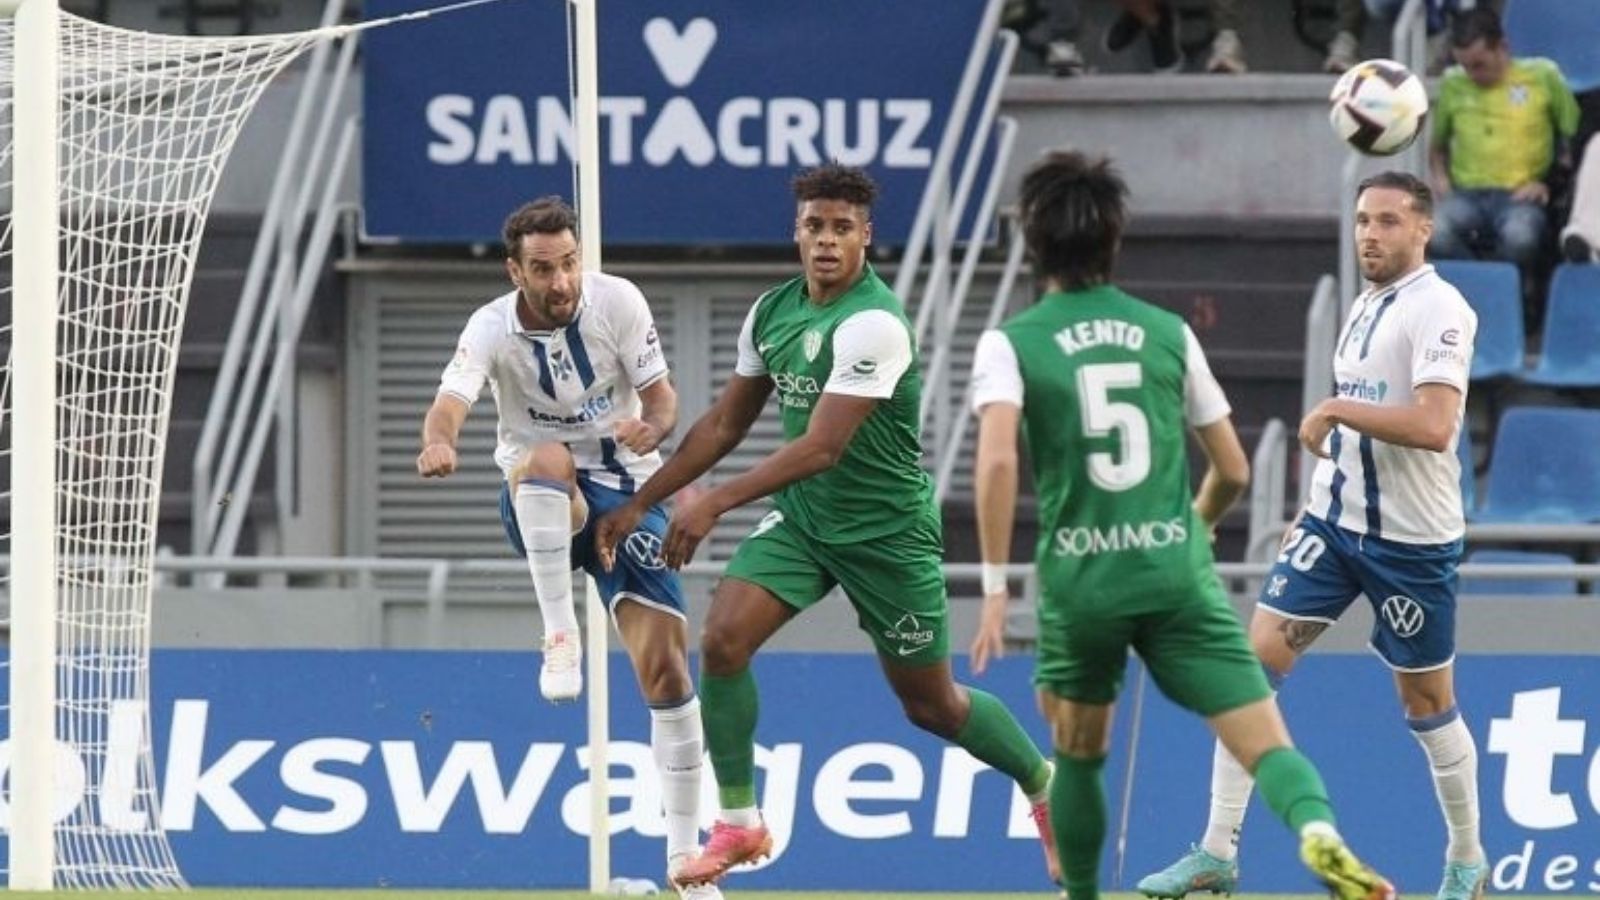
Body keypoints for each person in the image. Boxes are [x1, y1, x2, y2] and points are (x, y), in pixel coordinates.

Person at [594, 163, 1061, 891]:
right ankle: (741, 821)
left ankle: (1043, 785)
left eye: (843, 228)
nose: (826, 241)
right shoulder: (773, 313)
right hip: (807, 523)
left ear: (866, 237)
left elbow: (822, 446)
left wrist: (715, 503)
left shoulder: (875, 322)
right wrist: (640, 501)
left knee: (932, 705)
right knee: (721, 640)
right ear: (797, 231)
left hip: (886, 534)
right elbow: (722, 423)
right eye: (815, 226)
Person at [967, 149, 1395, 900]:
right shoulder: (1167, 332)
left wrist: (998, 586)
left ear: (1034, 242)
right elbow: (1232, 468)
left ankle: (1085, 896)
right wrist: (1191, 529)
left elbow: (999, 462)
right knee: (1264, 741)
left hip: (1082, 579)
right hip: (1173, 572)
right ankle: (1320, 835)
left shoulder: (1013, 342)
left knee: (1080, 753)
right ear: (1115, 238)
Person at [1138, 170, 1487, 900]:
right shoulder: (1364, 304)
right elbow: (1360, 428)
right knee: (1250, 669)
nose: (1371, 233)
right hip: (1335, 527)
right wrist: (1311, 506)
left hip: (1411, 546)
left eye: (1389, 221)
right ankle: (1217, 853)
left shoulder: (1441, 309)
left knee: (1426, 705)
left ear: (1423, 229)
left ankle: (1466, 860)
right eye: (1364, 219)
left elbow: (1434, 425)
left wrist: (1334, 408)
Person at [416, 197, 719, 900]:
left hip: (629, 494)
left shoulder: (618, 302)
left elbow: (664, 400)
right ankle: (560, 634)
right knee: (548, 457)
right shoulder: (489, 326)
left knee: (668, 674)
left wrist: (653, 427)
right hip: (542, 495)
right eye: (544, 269)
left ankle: (686, 866)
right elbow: (451, 400)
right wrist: (440, 440)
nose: (562, 283)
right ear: (515, 271)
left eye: (570, 263)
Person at [1428, 8, 1581, 274]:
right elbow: (1437, 147)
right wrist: (1441, 180)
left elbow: (1575, 137)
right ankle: (1483, 282)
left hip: (1520, 196)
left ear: (1503, 47)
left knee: (1520, 238)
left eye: (1479, 65)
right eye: (1464, 66)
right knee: (1433, 231)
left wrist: (1548, 184)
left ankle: (1506, 292)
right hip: (1467, 195)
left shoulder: (1543, 76)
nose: (1472, 74)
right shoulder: (1453, 83)